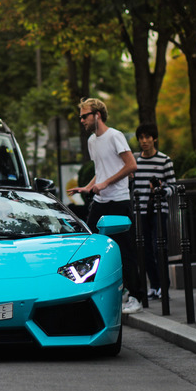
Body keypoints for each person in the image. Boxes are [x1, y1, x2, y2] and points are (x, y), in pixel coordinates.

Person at [67, 98, 143, 314]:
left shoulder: (115, 136)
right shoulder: (92, 141)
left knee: (125, 249)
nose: (81, 120)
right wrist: (88, 187)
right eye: (81, 116)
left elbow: (131, 165)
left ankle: (135, 296)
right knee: (90, 244)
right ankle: (101, 291)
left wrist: (106, 183)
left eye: (84, 116)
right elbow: (101, 171)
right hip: (100, 202)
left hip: (119, 201)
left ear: (97, 115)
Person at [132, 123, 176, 300]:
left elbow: (173, 186)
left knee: (160, 248)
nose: (144, 141)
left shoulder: (165, 160)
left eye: (147, 137)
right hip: (140, 210)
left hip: (159, 209)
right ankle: (154, 285)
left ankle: (164, 287)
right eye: (141, 138)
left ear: (154, 138)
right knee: (145, 250)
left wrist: (161, 192)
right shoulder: (135, 162)